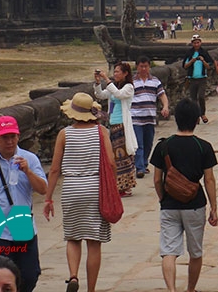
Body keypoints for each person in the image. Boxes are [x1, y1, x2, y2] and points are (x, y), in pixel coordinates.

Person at [44, 92, 115, 292]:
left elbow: (55, 169)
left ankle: (73, 276)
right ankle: (91, 289)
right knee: (94, 242)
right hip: (94, 187)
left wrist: (48, 198)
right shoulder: (101, 133)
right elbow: (110, 162)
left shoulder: (64, 134)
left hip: (71, 188)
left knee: (73, 237)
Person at [149, 99, 218, 292]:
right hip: (195, 205)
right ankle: (190, 289)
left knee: (169, 251)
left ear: (176, 118)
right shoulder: (203, 146)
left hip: (170, 205)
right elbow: (209, 180)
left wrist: (163, 198)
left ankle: (171, 289)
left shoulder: (164, 146)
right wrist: (214, 207)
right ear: (197, 120)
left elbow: (156, 179)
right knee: (195, 252)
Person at [0, 116, 47, 292]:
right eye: (4, 137)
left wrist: (28, 171)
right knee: (0, 274)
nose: (9, 141)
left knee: (30, 273)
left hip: (21, 220)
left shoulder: (29, 158)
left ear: (18, 136)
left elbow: (43, 189)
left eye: (13, 137)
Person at [94, 62, 137, 196]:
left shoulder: (129, 87)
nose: (115, 74)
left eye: (118, 72)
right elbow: (101, 95)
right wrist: (97, 83)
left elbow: (118, 95)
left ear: (125, 74)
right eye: (115, 71)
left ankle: (125, 185)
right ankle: (118, 185)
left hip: (122, 125)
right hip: (113, 124)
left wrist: (107, 80)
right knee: (113, 156)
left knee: (122, 156)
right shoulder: (115, 86)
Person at [131, 56, 170, 180]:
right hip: (136, 116)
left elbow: (162, 95)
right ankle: (140, 167)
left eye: (146, 66)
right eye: (141, 66)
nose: (143, 69)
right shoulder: (131, 82)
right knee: (139, 144)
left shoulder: (155, 81)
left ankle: (144, 163)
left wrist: (165, 106)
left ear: (149, 67)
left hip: (150, 116)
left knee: (148, 143)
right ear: (137, 67)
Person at [182, 34, 215, 124]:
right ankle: (196, 116)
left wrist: (203, 61)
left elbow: (209, 66)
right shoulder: (189, 53)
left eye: (198, 42)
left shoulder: (204, 52)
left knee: (201, 96)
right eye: (195, 43)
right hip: (192, 79)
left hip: (202, 79)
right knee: (193, 99)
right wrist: (192, 61)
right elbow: (185, 66)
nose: (196, 44)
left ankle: (202, 113)